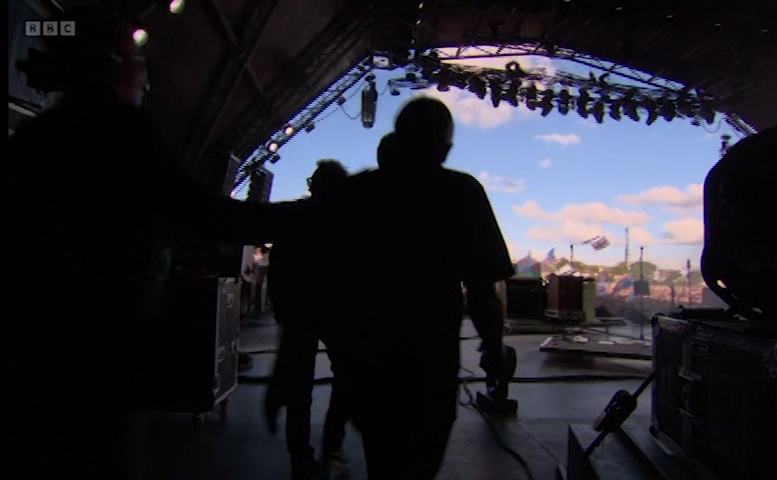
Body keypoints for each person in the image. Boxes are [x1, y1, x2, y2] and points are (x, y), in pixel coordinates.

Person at [8, 6, 300, 479]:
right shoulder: (117, 130)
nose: (142, 77)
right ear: (111, 64)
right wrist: (309, 216)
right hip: (96, 339)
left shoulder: (37, 138)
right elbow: (203, 213)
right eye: (135, 62)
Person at [334, 97, 515, 479]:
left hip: (367, 359)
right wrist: (494, 347)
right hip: (430, 362)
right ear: (445, 148)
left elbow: (325, 278)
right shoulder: (461, 192)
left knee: (381, 459)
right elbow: (483, 287)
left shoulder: (357, 193)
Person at [264, 160, 353, 480]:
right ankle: (332, 439)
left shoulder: (293, 216)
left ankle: (300, 456)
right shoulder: (349, 221)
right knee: (348, 377)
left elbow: (279, 267)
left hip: (299, 313)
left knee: (298, 388)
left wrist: (283, 309)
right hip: (336, 313)